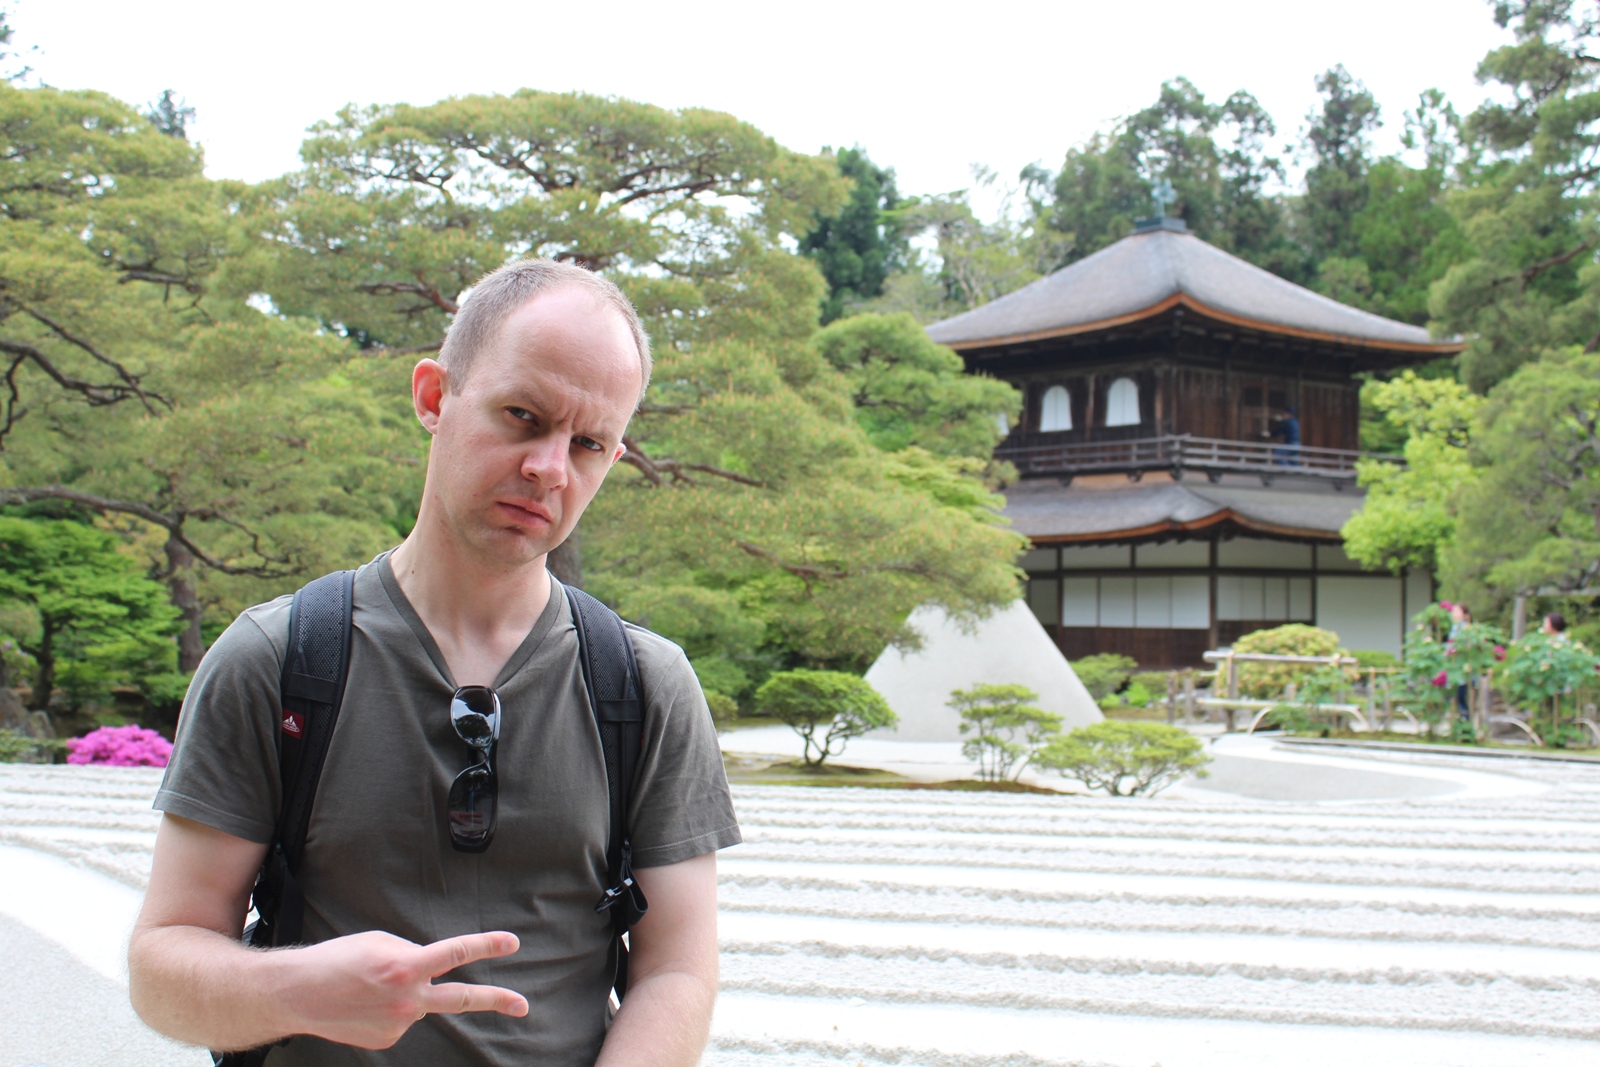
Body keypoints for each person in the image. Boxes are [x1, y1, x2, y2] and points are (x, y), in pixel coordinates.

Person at [127, 260, 740, 1066]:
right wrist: (299, 988)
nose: (550, 468)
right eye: (522, 416)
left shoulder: (643, 686)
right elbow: (162, 966)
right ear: (433, 396)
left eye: (588, 443)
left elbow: (678, 969)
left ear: (614, 456)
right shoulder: (279, 661)